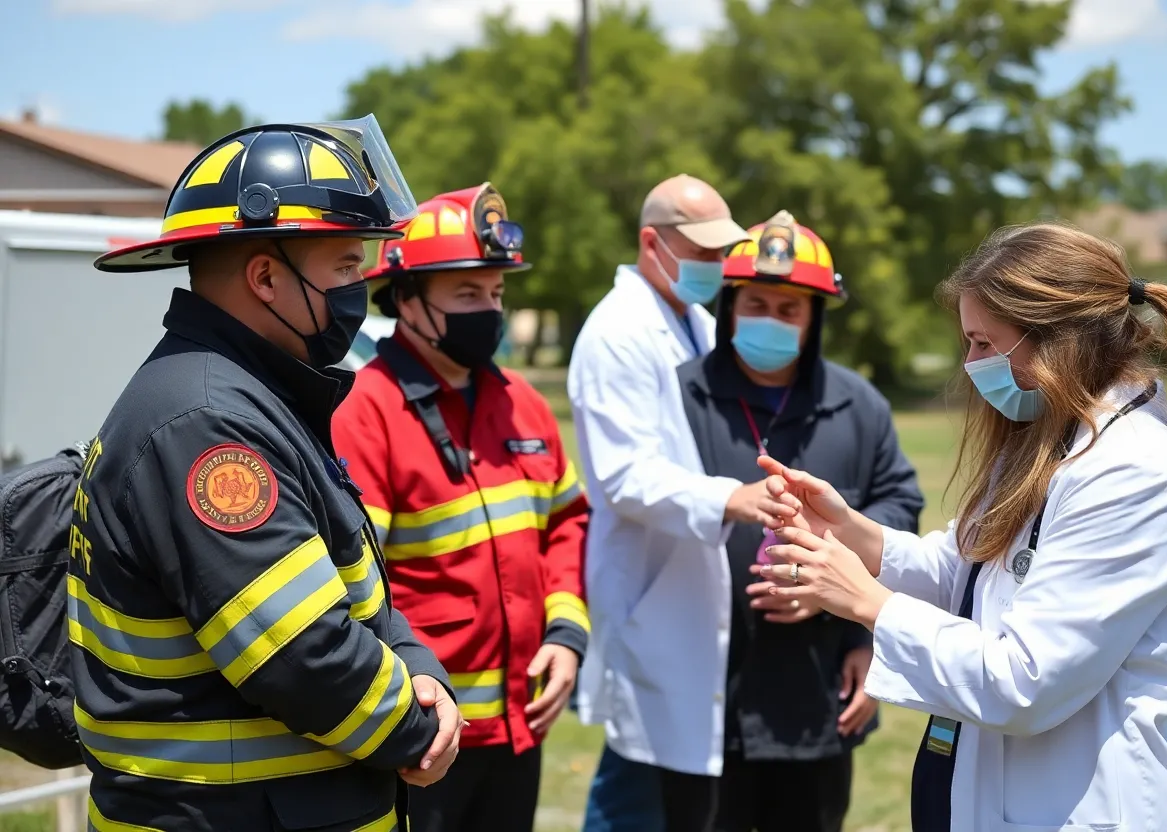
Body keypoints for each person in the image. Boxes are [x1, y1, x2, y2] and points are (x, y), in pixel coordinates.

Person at [755, 221, 1167, 832]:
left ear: (1058, 341)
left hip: (1078, 807)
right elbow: (969, 574)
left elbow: (1025, 683)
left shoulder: (1134, 475)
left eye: (982, 342)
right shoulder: (1051, 441)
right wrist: (852, 532)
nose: (970, 364)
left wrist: (869, 604)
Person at [75, 117, 462, 831]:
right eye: (346, 268)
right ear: (265, 277)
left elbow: (354, 588)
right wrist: (419, 726)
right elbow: (301, 653)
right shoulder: (206, 423)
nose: (360, 289)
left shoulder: (255, 394)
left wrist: (418, 663)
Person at [332, 182, 590, 832]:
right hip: (421, 737)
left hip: (518, 727)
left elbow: (566, 525)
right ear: (408, 300)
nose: (490, 311)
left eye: (497, 294)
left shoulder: (524, 403)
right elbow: (356, 584)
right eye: (468, 294)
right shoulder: (366, 410)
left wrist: (566, 636)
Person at [671, 210, 923, 831]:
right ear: (728, 307)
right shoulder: (677, 397)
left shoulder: (858, 404)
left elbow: (899, 509)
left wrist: (860, 632)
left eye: (789, 309)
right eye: (755, 303)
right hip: (699, 698)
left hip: (817, 694)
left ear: (815, 319)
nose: (771, 320)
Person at [568, 173, 751, 832]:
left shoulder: (696, 321)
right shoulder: (617, 332)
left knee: (674, 791)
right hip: (651, 596)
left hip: (697, 593)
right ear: (652, 242)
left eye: (721, 250)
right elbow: (625, 478)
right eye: (702, 250)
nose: (717, 265)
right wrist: (733, 499)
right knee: (634, 789)